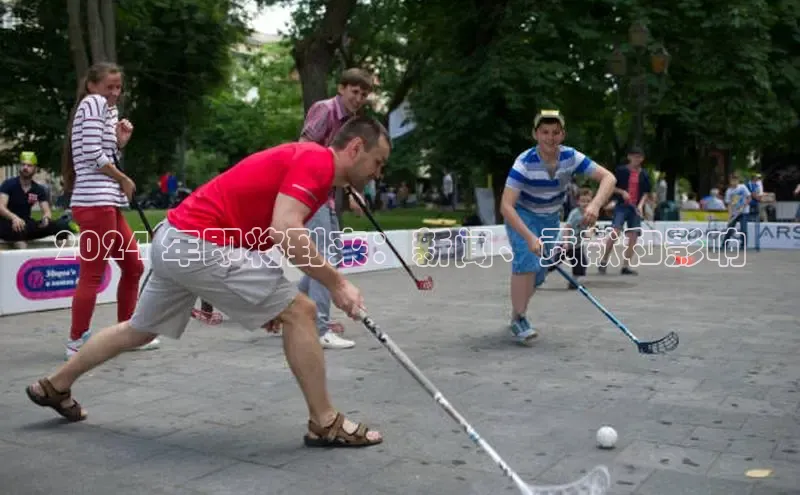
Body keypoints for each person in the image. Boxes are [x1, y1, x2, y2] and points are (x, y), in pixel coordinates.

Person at [24, 115, 390, 448]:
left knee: (140, 330)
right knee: (302, 311)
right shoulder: (317, 161)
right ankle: (325, 421)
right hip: (199, 244)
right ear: (355, 148)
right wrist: (338, 284)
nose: (378, 172)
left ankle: (56, 385)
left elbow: (263, 230)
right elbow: (286, 230)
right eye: (377, 162)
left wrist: (254, 299)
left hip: (176, 239)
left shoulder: (311, 164)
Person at [62, 62, 159, 359]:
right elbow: (92, 155)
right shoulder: (92, 103)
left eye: (118, 87)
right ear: (92, 85)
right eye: (109, 87)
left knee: (133, 267)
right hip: (94, 203)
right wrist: (123, 178)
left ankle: (127, 333)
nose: (115, 93)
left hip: (108, 203)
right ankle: (76, 340)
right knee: (93, 273)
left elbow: (102, 152)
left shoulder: (107, 110)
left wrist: (119, 142)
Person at [500, 110, 616, 345]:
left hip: (550, 218)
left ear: (562, 135)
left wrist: (594, 205)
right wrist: (529, 237)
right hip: (522, 215)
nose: (550, 138)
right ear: (535, 134)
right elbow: (505, 206)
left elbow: (609, 178)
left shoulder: (570, 157)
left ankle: (516, 315)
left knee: (540, 273)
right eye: (544, 132)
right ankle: (520, 318)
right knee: (526, 260)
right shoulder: (524, 163)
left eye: (555, 132)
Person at [295, 68, 374, 350]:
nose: (359, 98)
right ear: (341, 88)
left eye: (364, 95)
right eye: (355, 92)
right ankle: (319, 328)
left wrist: (354, 191)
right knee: (325, 258)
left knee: (332, 254)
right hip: (309, 192)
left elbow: (345, 161)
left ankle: (285, 309)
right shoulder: (324, 110)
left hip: (326, 194)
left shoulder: (350, 122)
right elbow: (304, 148)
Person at [0, 151, 74, 248]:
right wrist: (14, 218)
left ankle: (64, 257)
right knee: (19, 231)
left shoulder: (38, 189)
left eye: (29, 165)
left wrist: (46, 218)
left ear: (35, 168)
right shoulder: (8, 184)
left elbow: (47, 211)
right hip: (7, 224)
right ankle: (23, 257)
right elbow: (1, 207)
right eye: (23, 165)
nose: (25, 168)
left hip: (26, 223)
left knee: (62, 227)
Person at [598, 146, 652, 276]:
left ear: (642, 159)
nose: (636, 159)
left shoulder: (644, 174)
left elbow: (646, 192)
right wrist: (622, 192)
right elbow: (610, 186)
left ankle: (625, 266)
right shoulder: (621, 171)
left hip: (635, 209)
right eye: (634, 156)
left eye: (639, 157)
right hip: (622, 206)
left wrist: (640, 205)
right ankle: (604, 260)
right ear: (629, 157)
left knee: (633, 237)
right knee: (615, 232)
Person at [548, 187, 594, 289]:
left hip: (576, 245)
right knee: (554, 263)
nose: (585, 203)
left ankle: (573, 282)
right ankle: (537, 278)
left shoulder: (591, 214)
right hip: (564, 242)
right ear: (578, 201)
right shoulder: (575, 213)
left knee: (581, 263)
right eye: (583, 201)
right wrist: (565, 242)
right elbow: (567, 228)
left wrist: (589, 232)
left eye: (588, 201)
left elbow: (591, 227)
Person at [721, 173, 751, 249]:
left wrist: (743, 207)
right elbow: (728, 204)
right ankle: (724, 244)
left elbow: (749, 198)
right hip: (734, 212)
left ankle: (743, 245)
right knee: (730, 228)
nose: (734, 182)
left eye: (736, 180)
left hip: (744, 212)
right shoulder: (729, 191)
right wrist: (730, 214)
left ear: (738, 181)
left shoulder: (743, 187)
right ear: (730, 181)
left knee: (744, 229)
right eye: (732, 180)